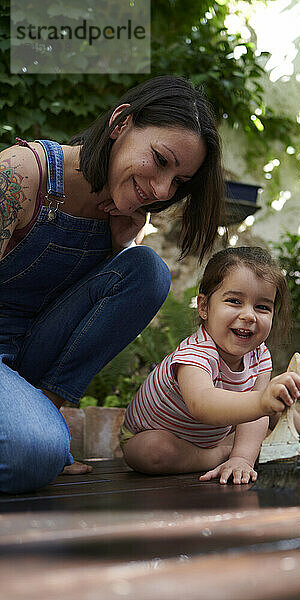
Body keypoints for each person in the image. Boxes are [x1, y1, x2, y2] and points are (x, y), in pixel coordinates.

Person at [0, 75, 225, 494]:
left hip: (26, 356)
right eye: (160, 159)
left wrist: (115, 247)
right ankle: (34, 442)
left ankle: (42, 416)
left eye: (178, 182)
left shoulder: (122, 214)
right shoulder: (21, 175)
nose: (160, 190)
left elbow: (70, 313)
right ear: (121, 122)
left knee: (147, 270)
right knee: (37, 453)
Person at [121, 246, 300, 485]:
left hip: (208, 433)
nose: (249, 315)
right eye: (234, 301)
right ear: (204, 307)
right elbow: (201, 403)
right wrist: (255, 412)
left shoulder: (260, 355)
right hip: (152, 435)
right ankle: (221, 454)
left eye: (262, 307)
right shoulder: (195, 354)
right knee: (153, 452)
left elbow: (257, 414)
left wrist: (243, 458)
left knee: (274, 400)